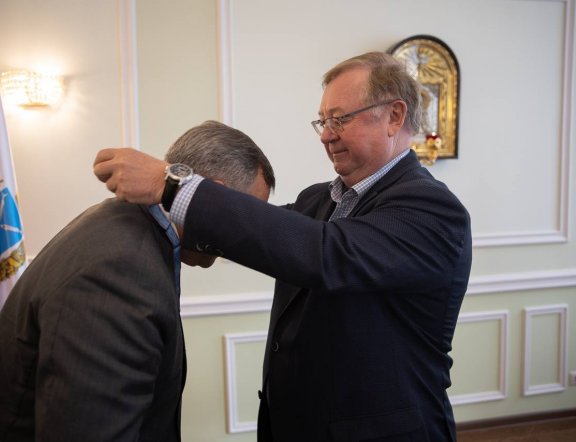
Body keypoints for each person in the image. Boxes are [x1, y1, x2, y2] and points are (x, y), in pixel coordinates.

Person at [93, 52, 472, 442]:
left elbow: (325, 254)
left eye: (340, 119)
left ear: (394, 116)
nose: (326, 135)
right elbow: (261, 233)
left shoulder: (432, 209)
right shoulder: (317, 199)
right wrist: (170, 218)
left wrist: (171, 185)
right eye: (322, 121)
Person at [0, 121, 274, 442]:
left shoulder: (125, 225)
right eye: (244, 217)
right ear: (212, 197)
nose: (244, 238)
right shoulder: (123, 271)